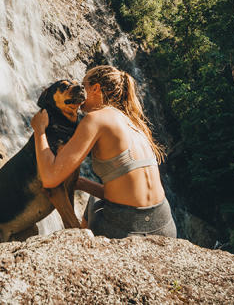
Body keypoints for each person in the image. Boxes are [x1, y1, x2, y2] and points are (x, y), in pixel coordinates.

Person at [31, 65, 177, 238]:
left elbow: (49, 178)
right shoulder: (134, 122)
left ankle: (80, 249)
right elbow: (128, 193)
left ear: (95, 88)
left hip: (127, 228)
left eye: (83, 86)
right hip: (165, 224)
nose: (79, 91)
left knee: (92, 206)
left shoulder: (95, 118)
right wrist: (82, 184)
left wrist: (39, 130)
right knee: (94, 201)